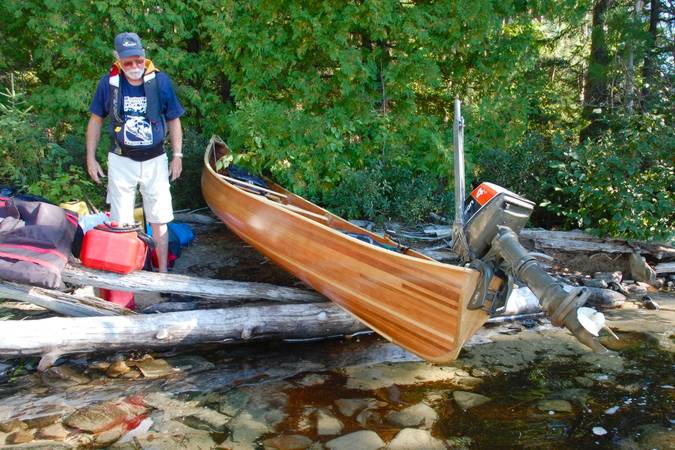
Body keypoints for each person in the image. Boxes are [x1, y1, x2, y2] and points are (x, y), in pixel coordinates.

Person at [86, 32, 184, 272]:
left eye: (138, 59)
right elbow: (96, 120)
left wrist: (177, 156)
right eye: (128, 62)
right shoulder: (108, 84)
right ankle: (127, 275)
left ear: (144, 55)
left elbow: (174, 120)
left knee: (160, 220)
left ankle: (162, 274)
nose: (134, 66)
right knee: (121, 223)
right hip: (121, 161)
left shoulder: (160, 82)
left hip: (155, 161)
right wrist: (90, 157)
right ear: (118, 60)